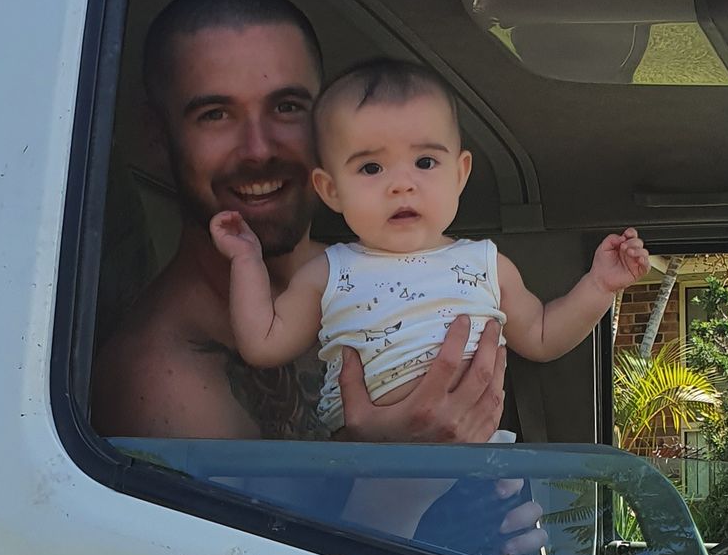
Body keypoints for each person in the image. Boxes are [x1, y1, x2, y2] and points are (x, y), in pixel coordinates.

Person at [90, 0, 539, 554]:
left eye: (287, 108)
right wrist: (400, 488)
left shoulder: (371, 278)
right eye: (215, 114)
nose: (259, 149)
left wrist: (501, 529)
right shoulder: (161, 379)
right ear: (159, 138)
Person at [211, 57, 648, 432]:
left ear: (459, 174)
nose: (402, 185)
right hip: (361, 468)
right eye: (370, 168)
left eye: (425, 162)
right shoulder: (330, 270)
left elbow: (542, 335)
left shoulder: (485, 263)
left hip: (474, 461)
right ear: (330, 190)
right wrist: (246, 259)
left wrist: (599, 287)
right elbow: (263, 343)